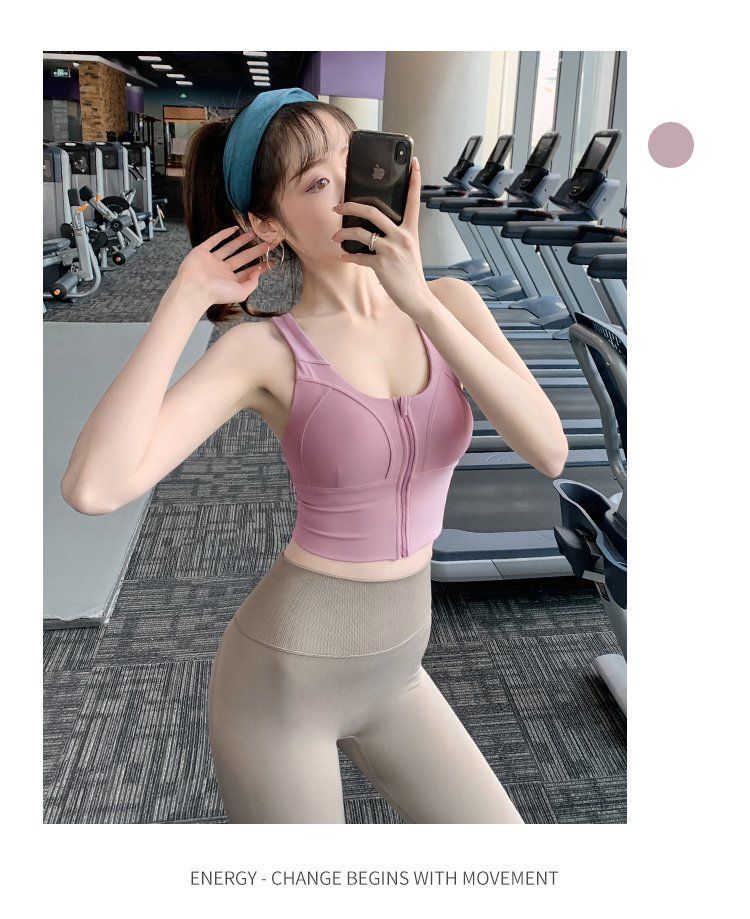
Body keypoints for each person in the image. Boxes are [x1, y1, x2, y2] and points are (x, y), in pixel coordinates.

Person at [61, 88, 569, 823]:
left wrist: (421, 302)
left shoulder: (451, 304)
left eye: (352, 163)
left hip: (398, 670)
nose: (351, 192)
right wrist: (183, 300)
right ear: (268, 224)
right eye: (317, 183)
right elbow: (95, 488)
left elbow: (549, 450)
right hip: (284, 680)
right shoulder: (263, 350)